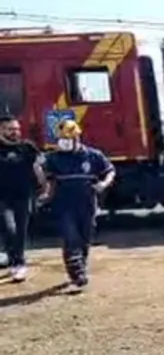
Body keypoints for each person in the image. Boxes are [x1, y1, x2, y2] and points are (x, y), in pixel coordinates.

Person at [43, 119, 114, 293]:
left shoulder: (93, 156)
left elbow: (109, 171)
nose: (64, 142)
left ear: (77, 137)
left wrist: (103, 184)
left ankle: (80, 265)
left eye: (68, 138)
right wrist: (46, 194)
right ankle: (77, 274)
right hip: (63, 204)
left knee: (85, 238)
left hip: (87, 203)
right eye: (61, 138)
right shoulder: (53, 158)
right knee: (70, 237)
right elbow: (48, 180)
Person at [0, 115, 46, 283]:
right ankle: (14, 260)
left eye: (17, 129)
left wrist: (45, 188)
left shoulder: (27, 147)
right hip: (2, 198)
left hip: (24, 195)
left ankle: (18, 263)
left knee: (20, 231)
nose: (15, 132)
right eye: (11, 129)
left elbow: (38, 167)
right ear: (1, 130)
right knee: (9, 229)